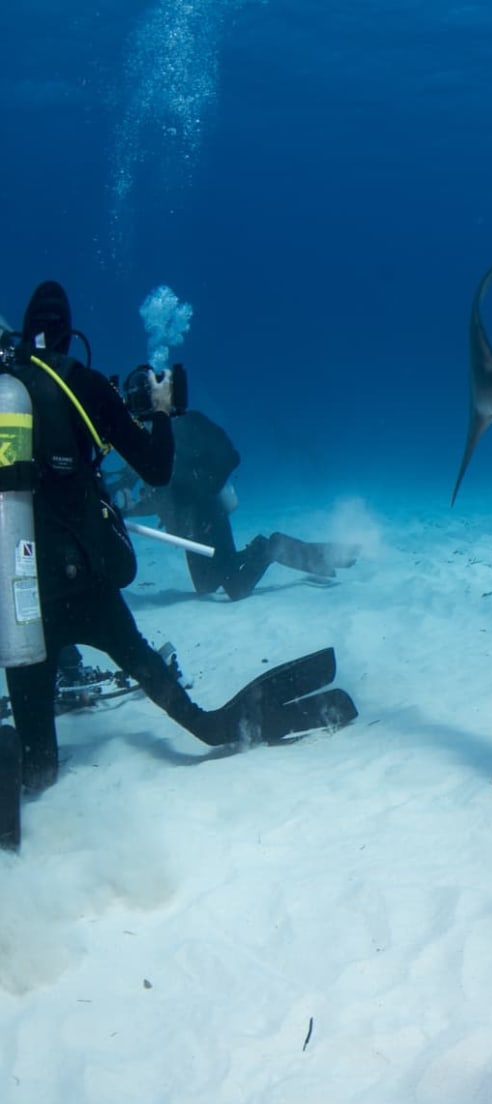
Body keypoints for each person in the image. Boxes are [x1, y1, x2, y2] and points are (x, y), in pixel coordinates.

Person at [0, 280, 357, 808]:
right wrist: (162, 412)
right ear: (69, 335)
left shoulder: (9, 394)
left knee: (38, 768)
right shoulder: (86, 386)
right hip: (95, 593)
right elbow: (154, 469)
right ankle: (204, 718)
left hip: (24, 601)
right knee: (204, 716)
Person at [112, 405, 358, 600]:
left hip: (208, 519)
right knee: (205, 587)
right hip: (187, 531)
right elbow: (156, 500)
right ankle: (268, 551)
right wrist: (122, 511)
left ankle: (273, 547)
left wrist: (202, 496)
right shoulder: (143, 457)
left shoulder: (181, 433)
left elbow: (228, 458)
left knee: (236, 589)